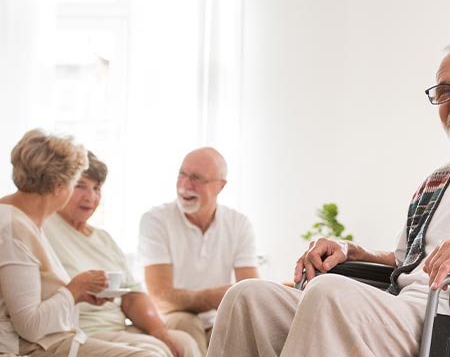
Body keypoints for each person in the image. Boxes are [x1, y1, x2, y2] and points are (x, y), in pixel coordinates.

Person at [206, 41, 450, 356]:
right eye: (444, 91)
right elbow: (406, 263)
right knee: (248, 296)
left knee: (332, 294)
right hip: (405, 311)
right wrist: (350, 251)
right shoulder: (436, 181)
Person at [0, 129, 169, 356]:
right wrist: (76, 287)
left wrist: (78, 295)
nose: (88, 196)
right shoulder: (14, 228)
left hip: (54, 341)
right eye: (76, 184)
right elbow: (30, 326)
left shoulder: (24, 220)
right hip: (36, 348)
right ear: (59, 186)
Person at [43, 151, 202, 357]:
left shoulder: (103, 239)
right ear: (61, 186)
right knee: (153, 353)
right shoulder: (44, 228)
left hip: (118, 328)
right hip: (81, 332)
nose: (90, 197)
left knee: (184, 342)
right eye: (80, 186)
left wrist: (160, 332)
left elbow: (132, 295)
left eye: (96, 188)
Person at [138, 147, 259, 355]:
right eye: (181, 175)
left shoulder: (239, 224)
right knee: (187, 322)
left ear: (220, 186)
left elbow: (250, 288)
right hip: (171, 316)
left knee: (244, 329)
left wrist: (220, 299)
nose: (185, 186)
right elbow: (160, 297)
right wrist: (212, 297)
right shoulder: (156, 220)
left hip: (217, 318)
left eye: (196, 178)